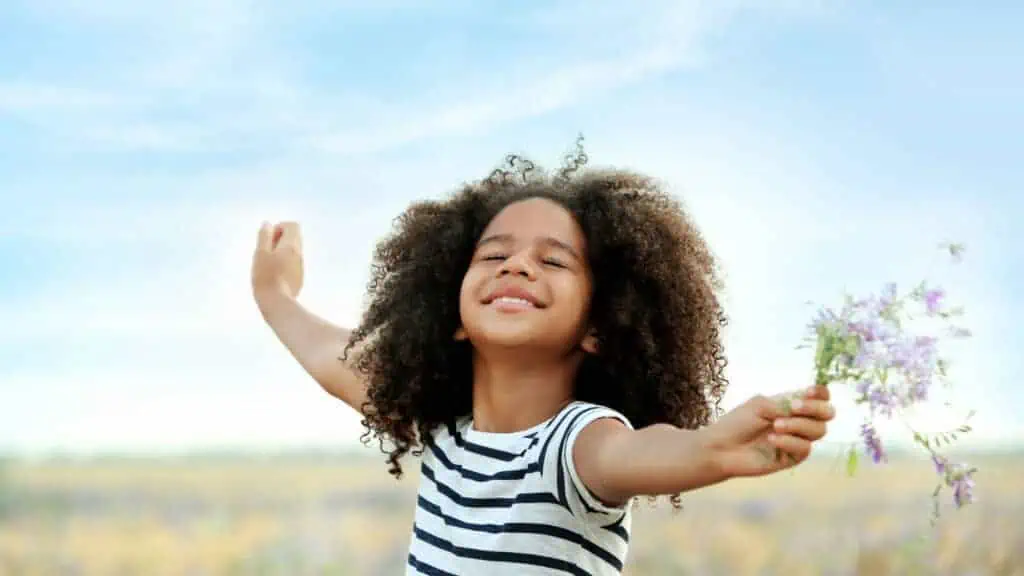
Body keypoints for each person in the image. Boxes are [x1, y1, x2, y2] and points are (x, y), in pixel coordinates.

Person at [250, 143, 835, 575]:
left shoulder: (572, 446)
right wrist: (276, 297)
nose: (516, 266)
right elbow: (337, 361)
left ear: (601, 328)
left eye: (553, 262)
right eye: (493, 255)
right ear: (451, 316)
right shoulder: (447, 434)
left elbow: (639, 454)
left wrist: (714, 449)